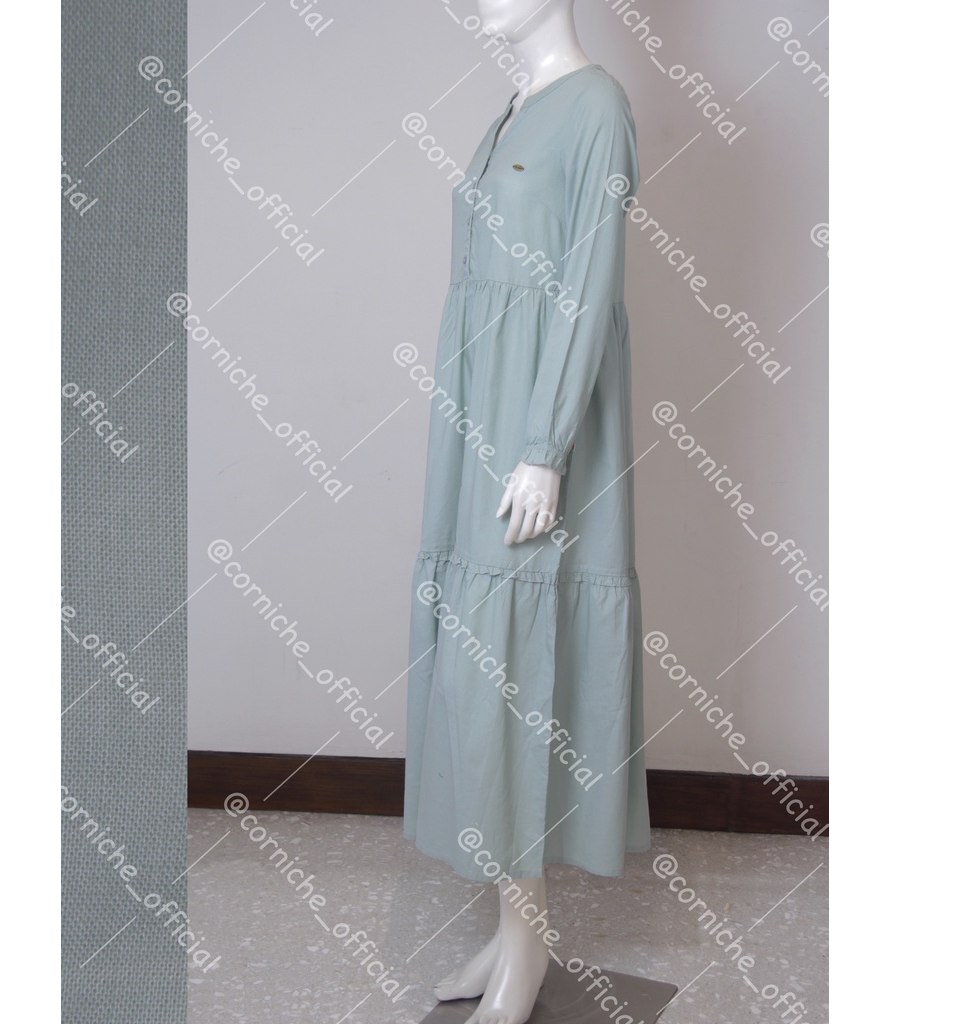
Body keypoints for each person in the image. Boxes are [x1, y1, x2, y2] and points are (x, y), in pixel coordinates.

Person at [403, 3, 650, 1021]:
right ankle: (514, 933)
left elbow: (588, 287)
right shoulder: (513, 104)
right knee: (480, 667)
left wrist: (544, 447)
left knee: (513, 664)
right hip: (479, 414)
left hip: (536, 425)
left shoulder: (596, 106)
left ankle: (527, 946)